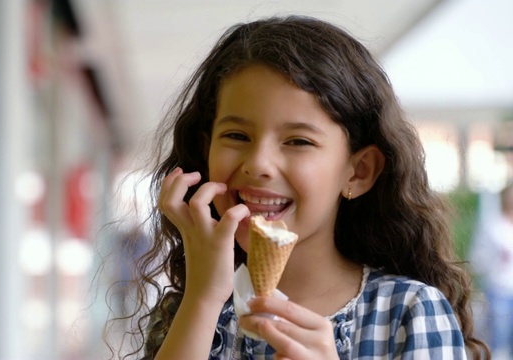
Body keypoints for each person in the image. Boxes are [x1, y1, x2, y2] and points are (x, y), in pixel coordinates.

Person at [111, 15, 490, 359]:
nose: (258, 164)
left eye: (298, 141)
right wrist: (203, 297)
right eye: (237, 134)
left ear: (358, 172)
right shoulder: (187, 311)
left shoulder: (410, 311)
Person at [470, 184, 513, 359]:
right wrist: (496, 259)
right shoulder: (492, 226)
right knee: (498, 340)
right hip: (499, 290)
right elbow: (478, 259)